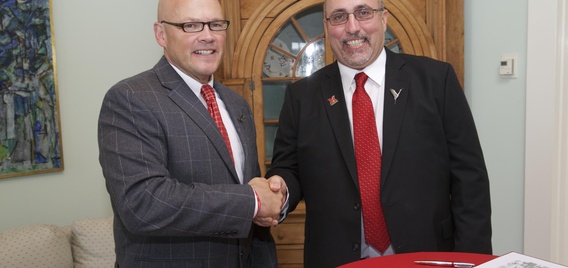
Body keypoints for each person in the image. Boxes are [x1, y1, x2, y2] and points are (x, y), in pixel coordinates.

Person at [264, 0, 492, 266]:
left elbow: (470, 179)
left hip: (427, 255)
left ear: (384, 19)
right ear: (327, 28)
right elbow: (288, 168)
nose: (352, 27)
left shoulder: (436, 80)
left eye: (363, 13)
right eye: (338, 17)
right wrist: (279, 191)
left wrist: (473, 261)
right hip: (337, 258)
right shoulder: (301, 97)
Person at [97, 0, 285, 267]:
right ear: (161, 34)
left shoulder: (236, 104)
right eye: (191, 25)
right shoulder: (129, 98)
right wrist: (252, 201)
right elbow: (142, 202)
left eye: (216, 25)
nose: (208, 35)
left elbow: (253, 212)